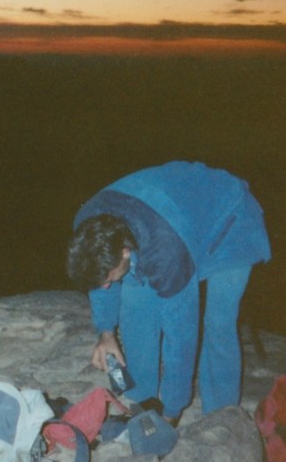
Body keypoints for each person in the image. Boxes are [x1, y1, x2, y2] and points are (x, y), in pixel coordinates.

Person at [66, 161, 271, 422]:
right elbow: (99, 281)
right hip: (172, 214)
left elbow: (181, 334)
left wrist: (172, 409)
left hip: (231, 220)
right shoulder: (87, 227)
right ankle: (142, 397)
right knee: (136, 302)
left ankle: (221, 415)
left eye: (107, 279)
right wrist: (105, 331)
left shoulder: (165, 251)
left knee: (218, 321)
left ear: (125, 251)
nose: (105, 286)